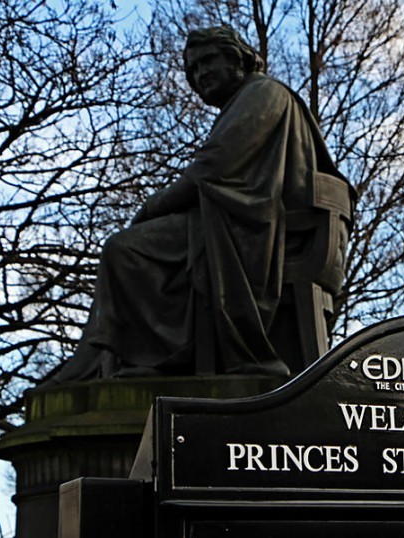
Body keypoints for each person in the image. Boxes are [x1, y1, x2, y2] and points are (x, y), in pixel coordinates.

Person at [52, 26, 352, 382]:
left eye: (208, 61)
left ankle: (153, 358)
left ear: (237, 56)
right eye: (193, 70)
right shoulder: (251, 99)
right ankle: (140, 357)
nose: (201, 74)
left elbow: (215, 166)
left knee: (125, 250)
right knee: (133, 249)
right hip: (243, 223)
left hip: (258, 231)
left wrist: (153, 206)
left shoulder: (263, 93)